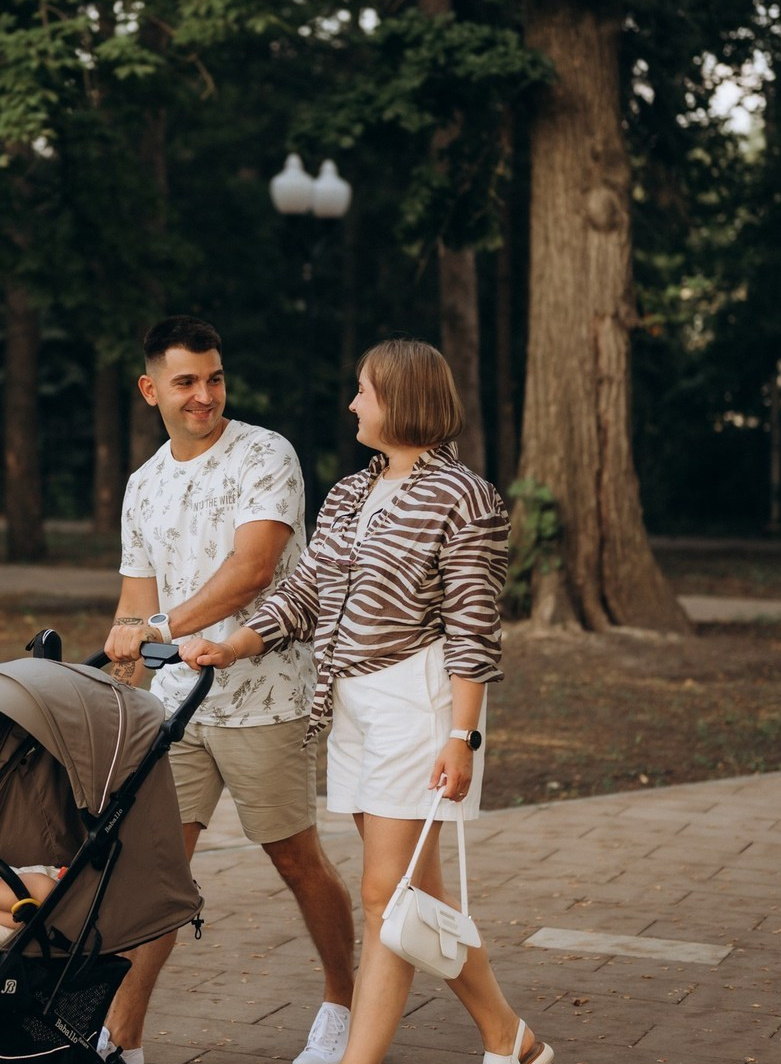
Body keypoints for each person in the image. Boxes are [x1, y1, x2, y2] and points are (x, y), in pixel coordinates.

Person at [180, 339, 554, 1064]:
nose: (352, 403)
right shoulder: (352, 492)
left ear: (402, 399)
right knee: (412, 894)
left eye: (364, 391)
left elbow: (476, 628)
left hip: (419, 701)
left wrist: (463, 738)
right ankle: (510, 1039)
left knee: (386, 892)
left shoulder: (466, 498)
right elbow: (306, 593)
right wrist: (235, 643)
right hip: (348, 704)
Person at [100, 315, 356, 1064]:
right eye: (186, 381)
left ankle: (341, 1003)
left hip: (267, 695)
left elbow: (253, 569)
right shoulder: (143, 485)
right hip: (176, 707)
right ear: (152, 390)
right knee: (155, 873)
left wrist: (151, 623)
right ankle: (123, 1039)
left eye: (214, 378)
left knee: (294, 857)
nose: (204, 395)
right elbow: (133, 604)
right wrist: (125, 668)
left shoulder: (264, 454)